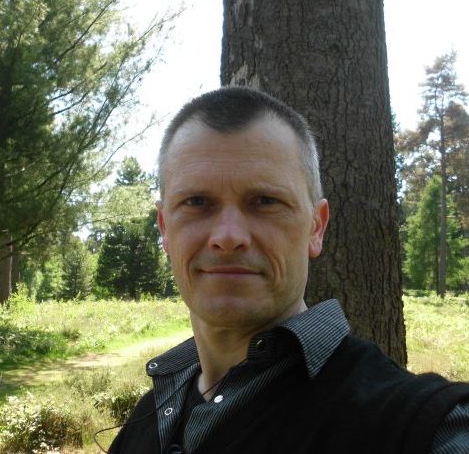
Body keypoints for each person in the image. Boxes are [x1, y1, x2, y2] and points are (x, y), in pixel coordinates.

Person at [108, 87, 469, 454]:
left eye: (265, 201)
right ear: (165, 229)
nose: (228, 237)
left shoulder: (419, 428)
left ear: (316, 227)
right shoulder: (147, 419)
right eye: (196, 202)